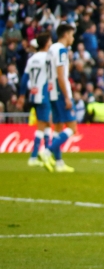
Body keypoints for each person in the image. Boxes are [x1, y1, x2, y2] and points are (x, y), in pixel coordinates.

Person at [46, 24, 77, 173]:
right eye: (72, 35)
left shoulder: (51, 48)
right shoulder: (61, 50)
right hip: (60, 92)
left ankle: (59, 163)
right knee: (72, 128)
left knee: (58, 128)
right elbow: (60, 76)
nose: (73, 38)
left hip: (51, 91)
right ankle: (47, 151)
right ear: (65, 35)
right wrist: (67, 97)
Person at [23, 33, 54, 168]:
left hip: (33, 94)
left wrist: (21, 95)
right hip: (44, 94)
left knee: (46, 123)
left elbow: (24, 78)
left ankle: (46, 153)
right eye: (50, 41)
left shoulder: (32, 58)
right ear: (46, 43)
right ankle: (34, 156)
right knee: (42, 124)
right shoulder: (48, 58)